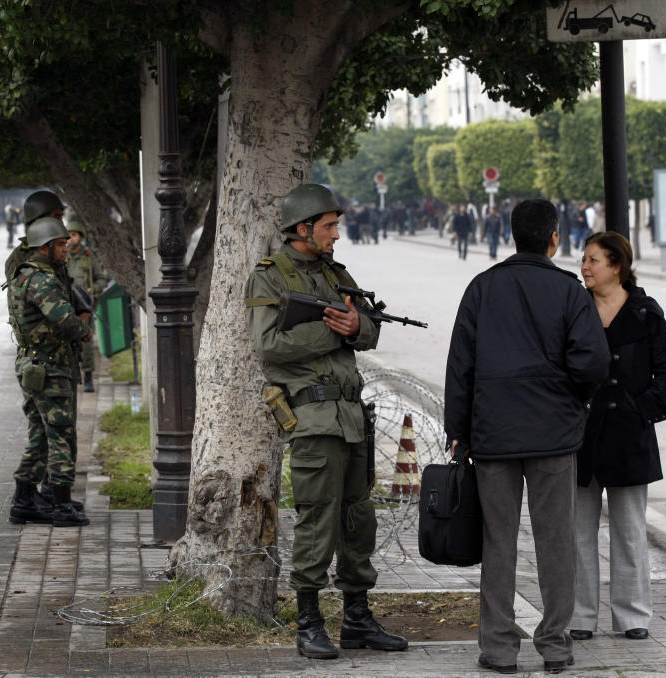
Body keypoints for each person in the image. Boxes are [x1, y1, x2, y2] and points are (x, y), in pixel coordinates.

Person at [445, 198, 610, 675]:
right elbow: (593, 362)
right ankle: (555, 647)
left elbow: (461, 367)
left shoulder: (481, 288)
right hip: (554, 437)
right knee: (555, 542)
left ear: (511, 234)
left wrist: (459, 430)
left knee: (498, 541)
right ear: (554, 238)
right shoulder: (569, 291)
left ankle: (498, 649)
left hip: (493, 436)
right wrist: (571, 398)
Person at [245, 183, 407, 660]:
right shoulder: (269, 277)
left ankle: (357, 618)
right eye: (329, 226)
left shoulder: (336, 272)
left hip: (353, 415)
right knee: (318, 520)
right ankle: (309, 623)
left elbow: (367, 324)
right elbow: (268, 347)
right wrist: (330, 329)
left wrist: (356, 326)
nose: (337, 234)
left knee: (359, 519)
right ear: (303, 228)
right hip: (313, 417)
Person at [570, 232, 666, 642]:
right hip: (580, 436)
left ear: (617, 265)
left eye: (593, 260)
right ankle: (580, 616)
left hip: (629, 436)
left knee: (630, 531)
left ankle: (633, 615)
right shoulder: (575, 309)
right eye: (584, 259)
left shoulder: (646, 313)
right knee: (577, 533)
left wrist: (642, 411)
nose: (585, 267)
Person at [7, 216, 92, 528]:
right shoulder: (41, 280)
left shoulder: (25, 274)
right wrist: (83, 326)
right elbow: (64, 320)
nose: (65, 249)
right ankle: (60, 503)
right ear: (44, 247)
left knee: (41, 435)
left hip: (36, 364)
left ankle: (24, 500)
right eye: (60, 244)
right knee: (59, 433)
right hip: (49, 367)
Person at [65, 218, 108, 392]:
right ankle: (72, 377)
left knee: (87, 342)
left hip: (85, 306)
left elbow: (101, 278)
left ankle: (88, 376)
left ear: (80, 237)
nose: (71, 239)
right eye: (68, 235)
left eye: (74, 235)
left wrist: (93, 289)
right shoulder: (62, 256)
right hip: (67, 306)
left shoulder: (89, 257)